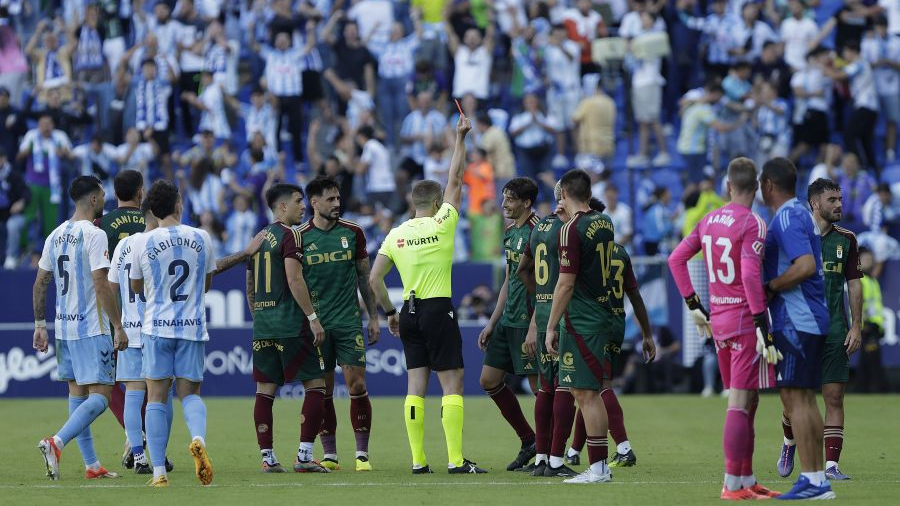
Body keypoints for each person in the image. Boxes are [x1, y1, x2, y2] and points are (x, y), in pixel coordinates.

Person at [369, 115, 487, 474]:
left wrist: (390, 313)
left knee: (415, 386)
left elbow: (374, 280)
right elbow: (455, 179)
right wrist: (460, 137)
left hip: (409, 312)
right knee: (452, 383)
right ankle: (454, 460)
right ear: (436, 203)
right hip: (438, 309)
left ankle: (419, 461)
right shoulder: (443, 222)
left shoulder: (396, 233)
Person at [668, 157, 781, 500]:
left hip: (719, 321)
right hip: (746, 321)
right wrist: (763, 323)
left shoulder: (708, 220)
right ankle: (732, 483)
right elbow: (748, 275)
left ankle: (746, 477)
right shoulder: (754, 223)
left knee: (748, 400)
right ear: (758, 188)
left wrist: (694, 306)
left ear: (728, 186)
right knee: (738, 401)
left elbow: (676, 259)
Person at [128, 180, 247, 486]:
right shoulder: (201, 237)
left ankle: (157, 473)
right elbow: (206, 284)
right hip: (192, 328)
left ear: (153, 210)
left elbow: (136, 288)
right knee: (190, 394)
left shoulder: (143, 242)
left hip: (156, 328)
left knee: (155, 396)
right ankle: (197, 439)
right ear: (179, 204)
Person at [34, 175, 127, 481]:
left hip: (64, 329)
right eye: (102, 195)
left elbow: (40, 283)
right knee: (101, 396)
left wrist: (39, 325)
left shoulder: (55, 234)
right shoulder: (94, 234)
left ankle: (91, 465)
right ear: (92, 200)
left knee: (78, 396)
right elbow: (101, 285)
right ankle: (56, 443)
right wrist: (117, 325)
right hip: (91, 328)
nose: (106, 200)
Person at [759, 158, 834, 500]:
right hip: (810, 317)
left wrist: (771, 285)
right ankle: (817, 478)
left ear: (768, 185)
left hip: (796, 319)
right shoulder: (801, 214)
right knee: (804, 399)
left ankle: (814, 481)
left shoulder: (787, 216)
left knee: (795, 400)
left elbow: (804, 265)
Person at [247, 182, 331, 474]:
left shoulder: (258, 237)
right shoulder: (291, 235)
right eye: (298, 201)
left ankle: (268, 458)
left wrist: (257, 314)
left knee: (264, 392)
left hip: (264, 326)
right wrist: (312, 318)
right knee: (317, 385)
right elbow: (295, 280)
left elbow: (250, 284)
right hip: (291, 325)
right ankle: (305, 456)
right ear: (282, 207)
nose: (303, 206)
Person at [782, 178, 861, 481]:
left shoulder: (847, 240)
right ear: (815, 203)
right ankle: (789, 441)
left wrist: (856, 324)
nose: (839, 204)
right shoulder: (795, 236)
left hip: (836, 330)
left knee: (834, 397)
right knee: (793, 400)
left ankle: (831, 465)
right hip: (800, 329)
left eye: (840, 199)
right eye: (832, 200)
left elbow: (853, 285)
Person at [300, 176, 380, 472]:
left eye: (338, 198)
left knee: (357, 385)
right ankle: (330, 454)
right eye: (330, 199)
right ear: (314, 203)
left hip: (348, 322)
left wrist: (373, 316)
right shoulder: (300, 237)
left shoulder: (354, 233)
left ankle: (362, 455)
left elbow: (364, 277)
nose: (337, 204)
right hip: (316, 326)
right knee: (323, 390)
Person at [544, 168, 616, 484]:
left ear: (563, 194)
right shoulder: (604, 221)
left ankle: (599, 468)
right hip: (600, 313)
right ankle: (598, 465)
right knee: (583, 390)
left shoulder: (570, 229)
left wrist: (549, 326)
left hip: (582, 319)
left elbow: (565, 284)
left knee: (586, 394)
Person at [478, 177, 540, 472]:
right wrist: (492, 321)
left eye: (511, 199)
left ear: (526, 202)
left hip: (530, 320)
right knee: (489, 380)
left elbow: (545, 285)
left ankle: (549, 451)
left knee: (540, 388)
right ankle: (530, 441)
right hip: (507, 320)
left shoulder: (539, 232)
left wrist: (535, 327)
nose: (504, 205)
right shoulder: (511, 232)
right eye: (504, 198)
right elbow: (508, 279)